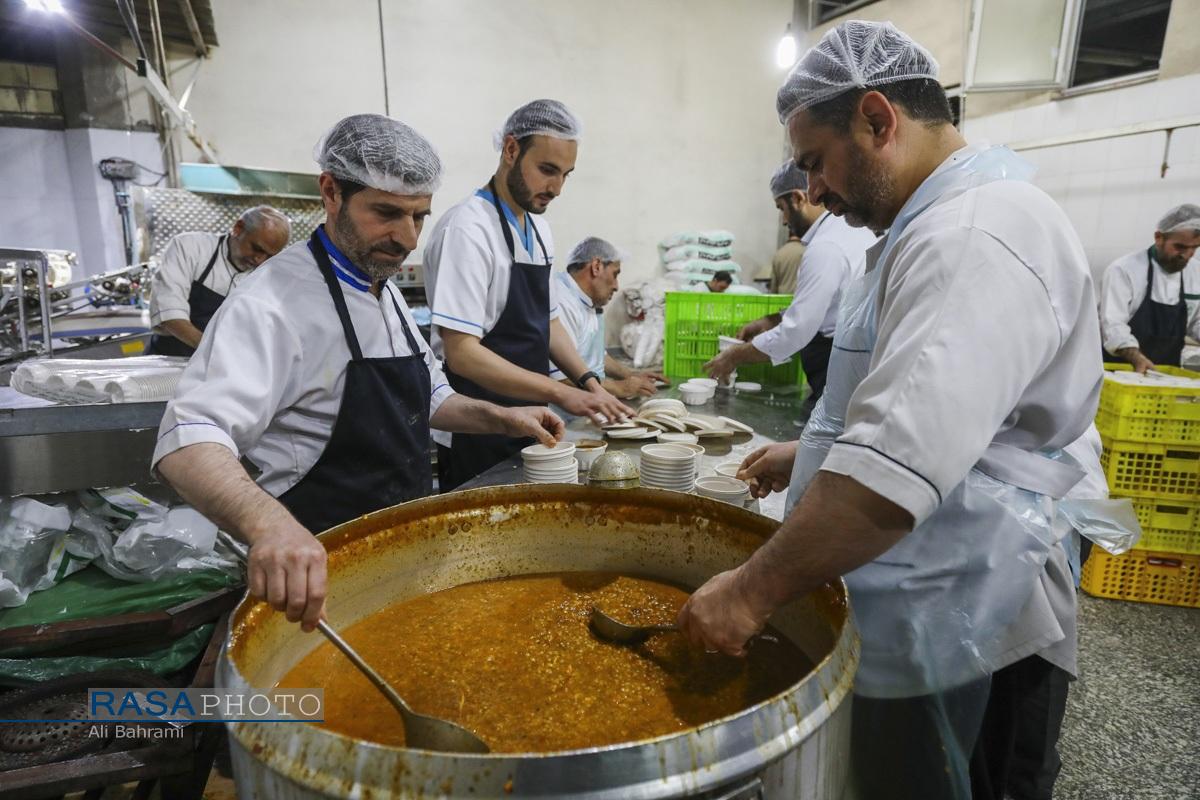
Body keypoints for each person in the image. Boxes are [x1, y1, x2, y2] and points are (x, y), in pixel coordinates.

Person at [677, 21, 1106, 800]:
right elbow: (904, 408)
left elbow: (888, 476)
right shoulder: (927, 227)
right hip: (931, 585)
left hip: (971, 613)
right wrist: (809, 455)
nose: (812, 192)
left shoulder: (972, 236)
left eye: (816, 161)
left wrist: (745, 594)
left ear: (877, 119)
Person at [152, 114, 564, 632]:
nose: (407, 238)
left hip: (400, 563)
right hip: (318, 582)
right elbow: (188, 439)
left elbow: (429, 397)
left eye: (419, 217)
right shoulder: (270, 303)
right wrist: (269, 526)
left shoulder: (382, 287)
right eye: (387, 213)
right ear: (331, 192)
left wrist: (503, 417)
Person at [424, 99, 630, 490]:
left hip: (531, 419)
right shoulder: (469, 229)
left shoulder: (538, 230)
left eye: (566, 175)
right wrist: (559, 393)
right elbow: (461, 353)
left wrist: (590, 384)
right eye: (547, 170)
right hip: (477, 427)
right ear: (510, 149)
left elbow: (549, 324)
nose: (556, 188)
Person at [704, 160, 874, 416]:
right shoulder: (847, 232)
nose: (784, 220)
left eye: (782, 208)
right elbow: (825, 307)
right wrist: (770, 320)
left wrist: (733, 356)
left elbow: (796, 331)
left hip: (837, 364)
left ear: (798, 198)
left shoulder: (826, 247)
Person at [147, 206, 291, 356]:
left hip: (220, 365)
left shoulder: (266, 278)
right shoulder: (190, 247)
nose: (259, 260)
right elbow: (170, 315)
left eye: (269, 256)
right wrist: (217, 351)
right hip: (168, 359)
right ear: (238, 228)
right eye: (257, 248)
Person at [548, 236, 668, 401]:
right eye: (615, 274)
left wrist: (631, 375)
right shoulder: (562, 302)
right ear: (596, 267)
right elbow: (559, 379)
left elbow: (598, 357)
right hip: (565, 411)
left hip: (591, 401)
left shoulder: (588, 302)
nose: (617, 286)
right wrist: (618, 387)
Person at [1100, 203, 1200, 372]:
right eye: (1180, 247)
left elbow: (1196, 321)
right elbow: (1113, 324)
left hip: (1168, 373)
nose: (1187, 255)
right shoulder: (1124, 270)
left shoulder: (1196, 273)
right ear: (1159, 238)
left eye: (1195, 248)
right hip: (1121, 369)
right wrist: (1136, 358)